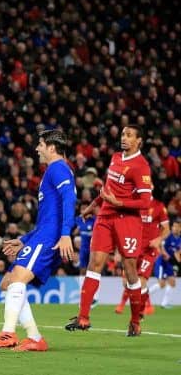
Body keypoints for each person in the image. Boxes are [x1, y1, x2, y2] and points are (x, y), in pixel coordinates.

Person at [0, 130, 76, 352]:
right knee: (8, 283)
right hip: (42, 234)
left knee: (17, 281)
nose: (37, 149)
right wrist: (25, 239)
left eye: (41, 144)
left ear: (52, 147)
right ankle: (34, 338)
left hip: (50, 237)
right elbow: (48, 217)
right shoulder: (52, 171)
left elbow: (69, 199)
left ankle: (8, 333)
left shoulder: (58, 168)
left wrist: (64, 234)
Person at [66, 125, 152, 337]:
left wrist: (119, 202)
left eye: (129, 135)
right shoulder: (115, 157)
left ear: (139, 141)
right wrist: (92, 206)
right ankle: (83, 317)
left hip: (128, 221)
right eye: (123, 134)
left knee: (130, 270)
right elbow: (107, 189)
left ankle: (134, 321)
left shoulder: (141, 166)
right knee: (94, 264)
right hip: (105, 216)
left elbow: (145, 201)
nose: (124, 138)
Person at [115, 196, 169, 315]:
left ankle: (138, 313)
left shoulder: (158, 206)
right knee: (126, 282)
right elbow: (123, 227)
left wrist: (158, 240)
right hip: (132, 247)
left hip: (148, 251)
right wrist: (118, 251)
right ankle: (146, 306)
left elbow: (166, 229)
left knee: (141, 281)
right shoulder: (133, 204)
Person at [149, 220, 181, 309]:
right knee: (162, 284)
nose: (174, 228)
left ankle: (164, 303)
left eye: (177, 226)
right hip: (161, 262)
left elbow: (177, 253)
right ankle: (143, 296)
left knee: (172, 282)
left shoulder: (179, 239)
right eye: (173, 226)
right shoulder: (167, 235)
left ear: (180, 228)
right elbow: (159, 245)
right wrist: (164, 253)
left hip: (169, 263)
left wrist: (178, 261)